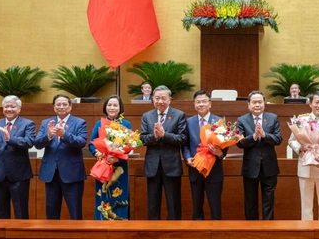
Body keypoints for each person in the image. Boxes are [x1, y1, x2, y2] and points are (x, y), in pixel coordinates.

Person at [288, 91, 319, 220]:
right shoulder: (301, 119)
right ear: (310, 104)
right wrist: (301, 148)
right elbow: (291, 140)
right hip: (305, 168)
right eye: (317, 102)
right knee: (306, 206)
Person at [34, 94, 87, 220]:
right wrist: (49, 136)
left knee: (75, 212)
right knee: (51, 213)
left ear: (70, 106)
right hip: (51, 174)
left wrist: (64, 135)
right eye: (58, 104)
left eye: (64, 104)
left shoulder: (80, 122)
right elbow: (37, 144)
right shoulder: (46, 123)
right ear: (54, 107)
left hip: (72, 174)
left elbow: (81, 142)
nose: (61, 107)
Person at [0, 95, 35, 219]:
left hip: (19, 175)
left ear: (19, 108)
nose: (9, 109)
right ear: (3, 108)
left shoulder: (28, 124)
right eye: (6, 106)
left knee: (21, 212)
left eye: (12, 106)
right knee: (1, 212)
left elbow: (29, 142)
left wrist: (9, 138)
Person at [140, 85, 187, 220]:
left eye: (163, 98)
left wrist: (164, 135)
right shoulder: (147, 116)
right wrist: (154, 136)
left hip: (171, 165)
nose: (160, 101)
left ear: (169, 99)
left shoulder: (179, 115)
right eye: (157, 98)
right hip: (152, 166)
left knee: (173, 203)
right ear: (152, 99)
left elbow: (182, 138)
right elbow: (142, 139)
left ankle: (174, 231)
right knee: (153, 204)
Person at [236, 91, 282, 220]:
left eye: (260, 102)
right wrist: (254, 137)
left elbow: (278, 139)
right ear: (248, 105)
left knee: (268, 202)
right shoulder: (242, 120)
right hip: (250, 167)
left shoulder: (273, 118)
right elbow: (239, 143)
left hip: (269, 167)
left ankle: (268, 230)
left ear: (264, 103)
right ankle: (252, 230)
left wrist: (265, 135)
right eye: (254, 102)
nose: (257, 105)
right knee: (250, 202)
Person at [182, 90, 227, 220]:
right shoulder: (188, 122)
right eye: (198, 102)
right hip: (195, 170)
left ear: (210, 104)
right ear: (194, 104)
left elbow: (225, 143)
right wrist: (187, 157)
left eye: (204, 101)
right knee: (196, 208)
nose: (201, 104)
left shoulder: (218, 121)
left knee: (215, 207)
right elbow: (184, 144)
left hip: (214, 171)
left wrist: (220, 153)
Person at [89, 95, 131, 220]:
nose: (112, 108)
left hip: (120, 167)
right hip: (103, 166)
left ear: (120, 108)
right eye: (109, 105)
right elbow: (92, 144)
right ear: (105, 107)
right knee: (103, 196)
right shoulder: (99, 123)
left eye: (115, 105)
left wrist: (117, 157)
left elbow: (130, 144)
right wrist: (103, 156)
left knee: (120, 197)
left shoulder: (126, 123)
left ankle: (120, 226)